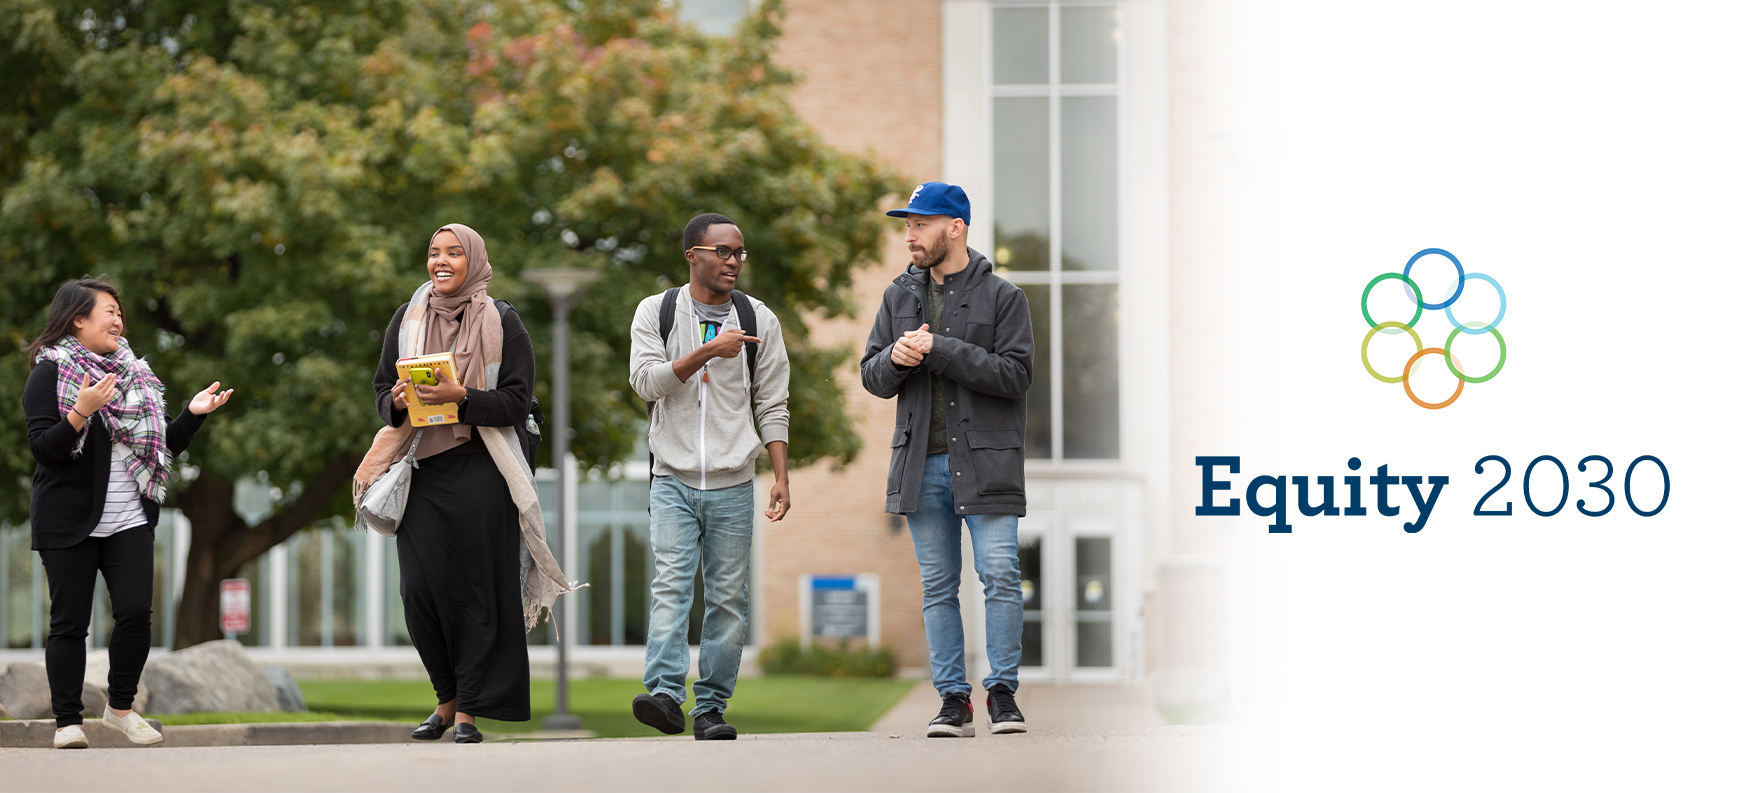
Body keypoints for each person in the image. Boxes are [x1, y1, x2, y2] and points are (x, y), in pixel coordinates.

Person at [356, 224, 572, 744]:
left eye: (454, 253)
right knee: (419, 593)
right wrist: (400, 402)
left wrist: (464, 395)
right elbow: (383, 389)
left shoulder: (502, 319)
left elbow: (517, 402)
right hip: (421, 468)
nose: (441, 261)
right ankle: (445, 696)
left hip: (482, 468)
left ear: (473, 260)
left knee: (477, 593)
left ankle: (467, 711)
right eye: (434, 253)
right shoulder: (406, 319)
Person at [23, 278, 233, 749]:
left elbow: (160, 447)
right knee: (70, 623)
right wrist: (80, 411)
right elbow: (43, 450)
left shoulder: (134, 374)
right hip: (68, 521)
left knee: (136, 613)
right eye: (109, 311)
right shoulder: (51, 373)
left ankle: (120, 709)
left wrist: (193, 414)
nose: (119, 320)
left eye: (121, 312)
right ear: (78, 318)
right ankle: (67, 722)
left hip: (129, 519)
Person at [860, 183, 1036, 737]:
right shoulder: (897, 297)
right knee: (938, 586)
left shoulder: (1004, 298)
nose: (909, 234)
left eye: (919, 223)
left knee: (1001, 576)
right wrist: (896, 356)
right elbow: (871, 375)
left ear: (954, 227)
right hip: (920, 463)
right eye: (906, 225)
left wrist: (942, 349)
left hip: (987, 462)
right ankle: (952, 702)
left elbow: (1015, 376)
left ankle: (1001, 694)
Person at [627, 213, 791, 740]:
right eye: (722, 251)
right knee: (671, 587)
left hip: (734, 480)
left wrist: (781, 475)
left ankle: (711, 709)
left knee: (727, 599)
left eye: (739, 253)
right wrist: (705, 351)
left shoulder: (758, 319)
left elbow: (772, 402)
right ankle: (666, 697)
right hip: (672, 477)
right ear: (691, 255)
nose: (733, 262)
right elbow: (646, 383)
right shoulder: (657, 312)